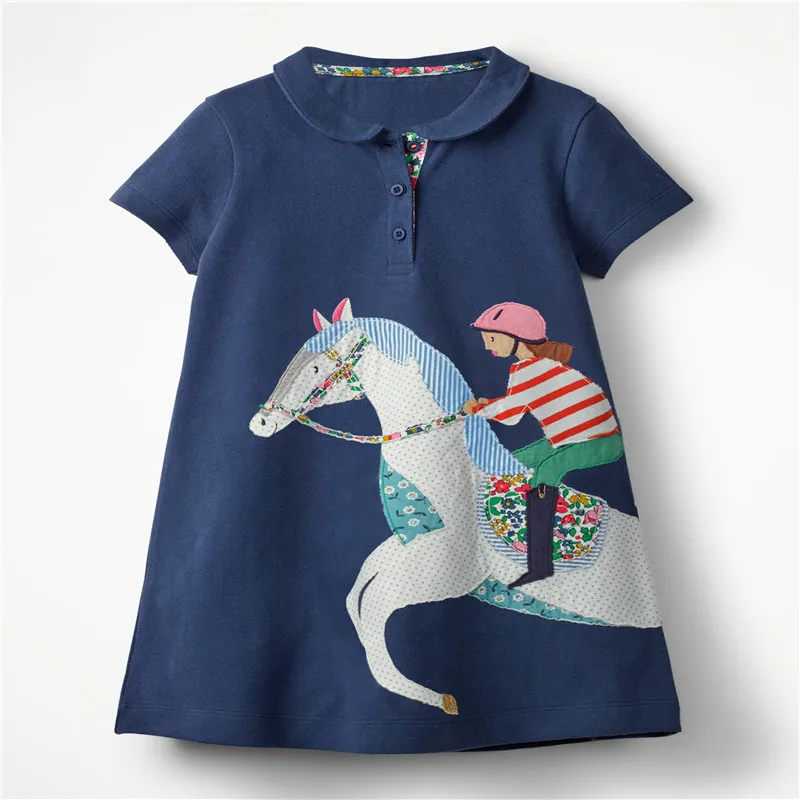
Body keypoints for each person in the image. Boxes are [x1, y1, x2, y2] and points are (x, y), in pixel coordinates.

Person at [464, 302, 623, 585]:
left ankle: (540, 564)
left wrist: (478, 409)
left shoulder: (529, 370)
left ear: (516, 337)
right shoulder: (536, 367)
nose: (487, 345)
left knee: (547, 470)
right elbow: (517, 403)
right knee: (515, 460)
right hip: (569, 438)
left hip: (599, 441)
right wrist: (488, 405)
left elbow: (511, 416)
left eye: (492, 338)